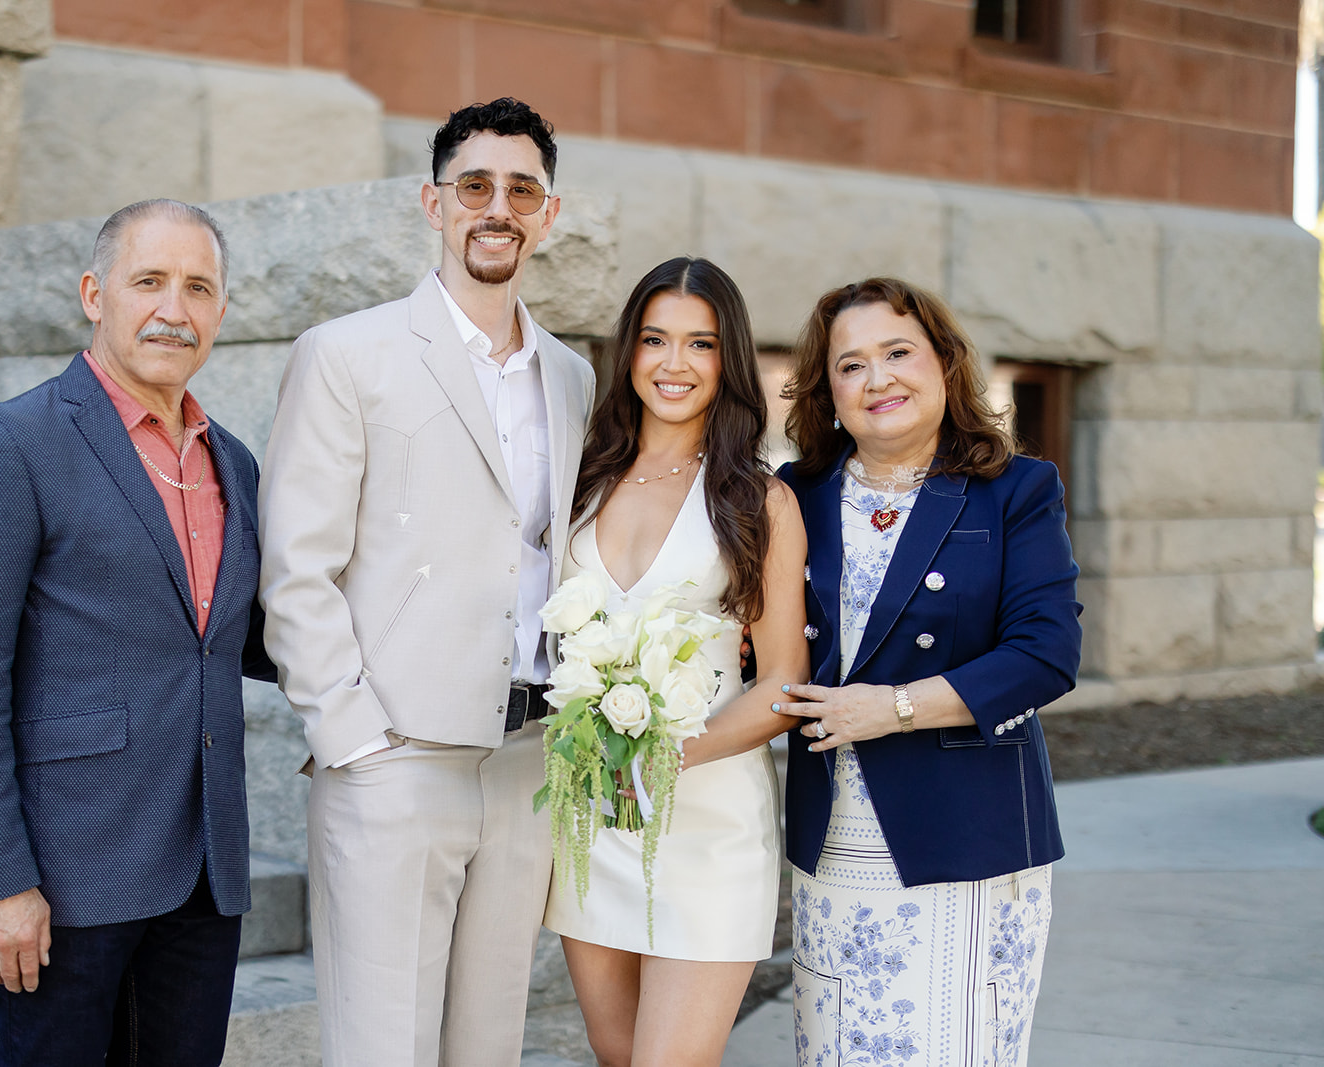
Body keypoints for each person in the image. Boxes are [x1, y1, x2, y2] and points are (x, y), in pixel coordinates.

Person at [257, 98, 597, 1067]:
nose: (498, 206)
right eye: (475, 186)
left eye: (520, 189)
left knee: (488, 1043)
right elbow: (297, 567)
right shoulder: (346, 352)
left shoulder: (571, 376)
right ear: (433, 203)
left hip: (527, 758)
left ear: (549, 212)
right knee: (382, 1046)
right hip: (394, 759)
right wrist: (353, 738)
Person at [0, 199, 275, 1065]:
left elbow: (240, 637)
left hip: (203, 872)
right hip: (66, 879)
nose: (173, 309)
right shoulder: (10, 444)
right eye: (148, 281)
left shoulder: (236, 463)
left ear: (220, 311)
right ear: (94, 293)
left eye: (198, 288)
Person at [774, 277, 1082, 1066]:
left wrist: (895, 706)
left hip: (970, 840)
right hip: (837, 838)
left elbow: (1046, 651)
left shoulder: (1015, 488)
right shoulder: (793, 496)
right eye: (851, 365)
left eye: (897, 352)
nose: (878, 380)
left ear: (943, 362)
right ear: (827, 390)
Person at [542, 257, 811, 1067]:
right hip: (593, 818)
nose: (673, 363)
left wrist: (664, 754)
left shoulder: (758, 500)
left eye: (700, 344)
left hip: (708, 825)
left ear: (728, 361)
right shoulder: (577, 478)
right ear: (628, 352)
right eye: (655, 339)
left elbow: (784, 684)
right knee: (617, 1056)